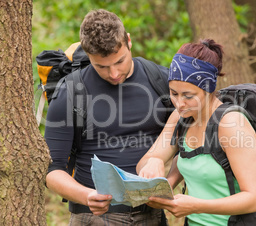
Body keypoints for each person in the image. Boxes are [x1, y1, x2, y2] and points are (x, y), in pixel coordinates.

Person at [45, 9, 170, 225]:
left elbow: (187, 138)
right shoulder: (70, 91)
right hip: (94, 217)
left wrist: (167, 182)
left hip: (153, 214)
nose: (113, 73)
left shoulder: (159, 79)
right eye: (101, 66)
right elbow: (52, 170)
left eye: (119, 61)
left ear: (128, 41)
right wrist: (86, 196)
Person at [137, 39, 256, 225]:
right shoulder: (180, 117)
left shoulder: (231, 124)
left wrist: (197, 206)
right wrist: (156, 164)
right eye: (173, 93)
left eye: (189, 96)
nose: (179, 103)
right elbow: (143, 164)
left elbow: (254, 199)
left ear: (209, 89)